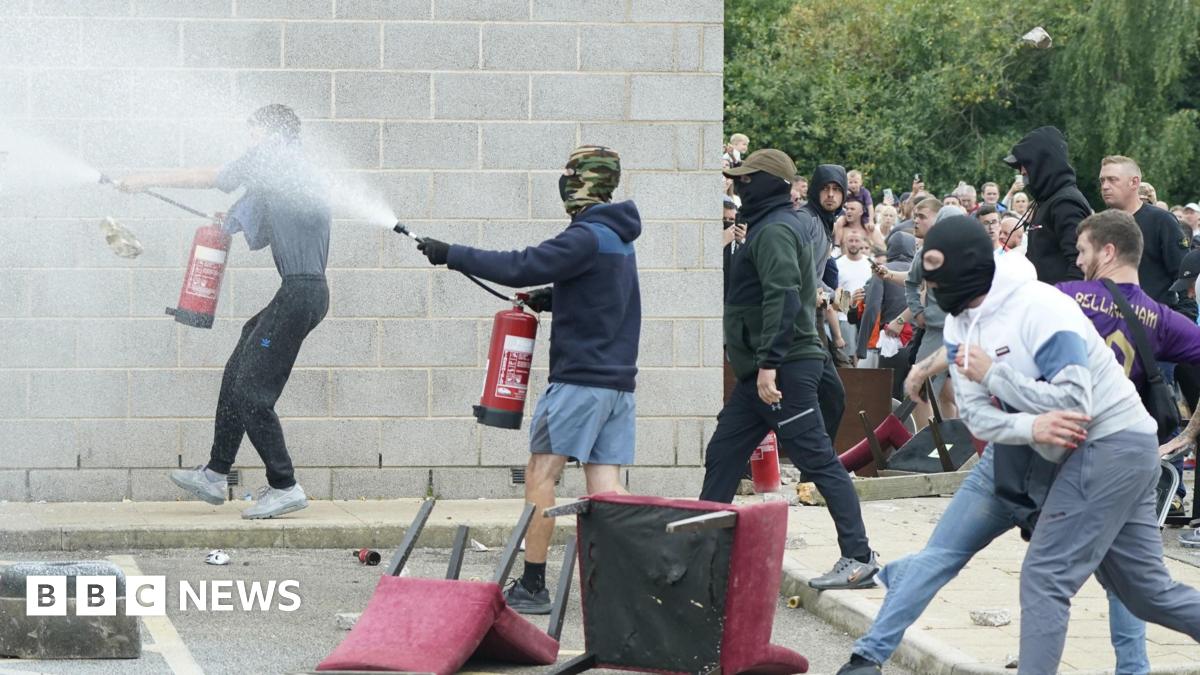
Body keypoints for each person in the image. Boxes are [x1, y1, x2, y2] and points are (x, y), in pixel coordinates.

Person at [837, 213, 1200, 675]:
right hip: (1030, 452)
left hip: (1104, 444)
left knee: (1048, 577)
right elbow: (977, 416)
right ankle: (866, 658)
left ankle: (1132, 667)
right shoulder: (959, 327)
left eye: (934, 284)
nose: (927, 296)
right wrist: (1027, 426)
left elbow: (1073, 401)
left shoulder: (1045, 305)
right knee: (1148, 592)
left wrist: (992, 375)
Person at [417, 145, 641, 614]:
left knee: (542, 474)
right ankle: (625, 590)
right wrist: (555, 297)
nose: (562, 181)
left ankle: (534, 586)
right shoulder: (618, 238)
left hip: (580, 381)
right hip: (617, 385)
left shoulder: (586, 235)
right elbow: (603, 294)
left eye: (568, 174)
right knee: (605, 489)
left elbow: (521, 263)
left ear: (584, 181)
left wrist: (452, 253)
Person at [120, 104, 330, 520]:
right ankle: (216, 473)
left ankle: (285, 485)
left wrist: (145, 180)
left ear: (269, 133)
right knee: (238, 370)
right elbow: (270, 217)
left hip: (300, 292)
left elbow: (210, 178)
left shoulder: (274, 154)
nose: (248, 140)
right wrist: (234, 218)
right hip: (301, 293)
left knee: (252, 392)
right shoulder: (292, 170)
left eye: (251, 132)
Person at [702, 149, 878, 590]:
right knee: (722, 456)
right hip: (762, 373)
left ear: (769, 184)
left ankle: (858, 557)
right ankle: (703, 554)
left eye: (746, 179)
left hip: (781, 370)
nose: (739, 186)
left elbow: (783, 300)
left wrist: (768, 367)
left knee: (817, 460)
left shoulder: (777, 230)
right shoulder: (770, 226)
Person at [1005, 125, 1091, 283]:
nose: (1022, 171)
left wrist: (1063, 301)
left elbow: (1080, 263)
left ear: (1042, 164)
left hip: (1059, 302)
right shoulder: (1046, 200)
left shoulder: (1065, 203)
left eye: (1025, 165)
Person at [1098, 155, 1186, 304]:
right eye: (1102, 180)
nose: (1105, 186)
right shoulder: (1099, 225)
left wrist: (1184, 318)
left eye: (1112, 180)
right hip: (1110, 320)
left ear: (1134, 182)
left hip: (1154, 319)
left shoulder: (1161, 221)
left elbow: (1182, 274)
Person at [836, 230, 873, 364]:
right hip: (844, 316)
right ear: (845, 242)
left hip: (866, 316)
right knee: (849, 357)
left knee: (865, 356)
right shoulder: (838, 264)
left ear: (862, 242)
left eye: (856, 241)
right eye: (850, 240)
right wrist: (849, 301)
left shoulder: (869, 263)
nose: (853, 244)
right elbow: (836, 292)